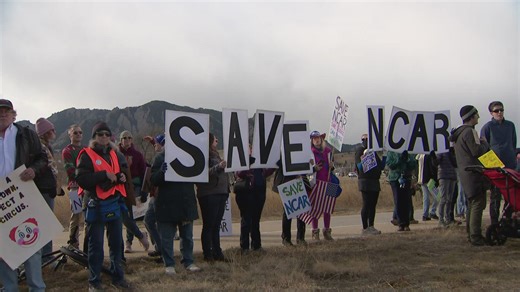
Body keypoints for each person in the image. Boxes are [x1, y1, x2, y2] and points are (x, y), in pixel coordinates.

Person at [76, 122, 131, 291]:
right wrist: (103, 175)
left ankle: (117, 277)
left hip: (113, 202)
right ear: (94, 137)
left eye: (107, 134)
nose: (104, 137)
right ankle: (94, 281)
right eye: (100, 134)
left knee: (116, 244)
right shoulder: (86, 155)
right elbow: (82, 180)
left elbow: (117, 172)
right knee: (96, 246)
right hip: (95, 204)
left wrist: (120, 176)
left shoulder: (114, 153)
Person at [0, 99, 47, 291]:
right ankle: (9, 288)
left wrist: (33, 170)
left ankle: (36, 288)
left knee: (31, 243)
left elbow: (42, 158)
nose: (2, 114)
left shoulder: (25, 134)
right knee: (4, 249)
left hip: (22, 196)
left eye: (6, 111)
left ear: (13, 114)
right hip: (2, 202)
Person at [150, 138, 201, 274]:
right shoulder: (160, 158)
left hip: (185, 202)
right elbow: (153, 180)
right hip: (167, 204)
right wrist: (161, 172)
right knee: (166, 238)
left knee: (187, 236)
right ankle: (169, 264)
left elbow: (198, 177)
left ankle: (188, 261)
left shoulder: (189, 158)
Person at [450, 105, 490, 246]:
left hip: (465, 173)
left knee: (472, 204)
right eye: (477, 115)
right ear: (471, 117)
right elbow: (476, 151)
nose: (478, 117)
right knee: (478, 204)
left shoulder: (459, 134)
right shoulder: (470, 132)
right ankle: (476, 236)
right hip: (474, 173)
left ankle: (471, 234)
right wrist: (485, 144)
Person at [480, 101, 517, 225]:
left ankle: (508, 220)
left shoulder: (510, 125)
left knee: (511, 196)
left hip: (510, 166)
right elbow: (484, 149)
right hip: (495, 168)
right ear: (491, 113)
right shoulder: (487, 127)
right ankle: (495, 223)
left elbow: (513, 142)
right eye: (496, 110)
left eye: (501, 110)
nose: (499, 112)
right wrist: (490, 167)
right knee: (495, 196)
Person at [234, 145, 275, 252]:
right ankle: (245, 246)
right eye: (249, 148)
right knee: (246, 219)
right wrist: (248, 163)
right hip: (246, 192)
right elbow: (239, 173)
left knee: (256, 220)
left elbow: (264, 173)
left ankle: (256, 245)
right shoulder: (240, 158)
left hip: (259, 191)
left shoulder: (258, 160)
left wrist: (274, 167)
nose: (251, 150)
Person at [196, 133, 229, 262]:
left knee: (216, 225)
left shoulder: (216, 154)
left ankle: (217, 252)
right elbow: (203, 174)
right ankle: (207, 253)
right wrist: (219, 166)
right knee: (209, 225)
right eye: (215, 139)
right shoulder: (203, 155)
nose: (217, 141)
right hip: (209, 193)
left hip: (221, 192)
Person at [118, 130, 150, 253]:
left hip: (135, 187)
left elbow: (144, 173)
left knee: (130, 214)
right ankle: (140, 235)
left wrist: (144, 191)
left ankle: (128, 242)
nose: (126, 140)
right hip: (120, 187)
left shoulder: (137, 155)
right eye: (124, 137)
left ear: (132, 140)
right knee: (124, 215)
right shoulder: (115, 154)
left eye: (129, 137)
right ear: (121, 140)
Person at [35, 117, 61, 257]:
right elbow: (45, 167)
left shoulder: (45, 145)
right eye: (51, 130)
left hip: (47, 188)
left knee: (46, 223)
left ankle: (45, 255)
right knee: (45, 224)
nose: (54, 132)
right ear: (45, 132)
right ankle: (46, 257)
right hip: (43, 190)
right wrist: (49, 185)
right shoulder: (40, 147)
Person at [272, 159, 310, 246]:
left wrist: (311, 169)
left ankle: (300, 238)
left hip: (299, 180)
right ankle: (286, 238)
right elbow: (277, 164)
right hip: (286, 181)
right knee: (287, 211)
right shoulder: (282, 149)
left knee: (301, 209)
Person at [355, 134, 384, 235]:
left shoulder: (373, 152)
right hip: (365, 181)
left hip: (375, 180)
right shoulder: (360, 150)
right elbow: (359, 166)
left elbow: (381, 166)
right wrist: (366, 157)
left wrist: (384, 156)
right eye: (365, 139)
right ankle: (365, 227)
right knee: (366, 204)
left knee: (373, 205)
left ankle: (371, 225)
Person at [62, 124, 85, 249]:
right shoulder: (67, 151)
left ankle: (88, 242)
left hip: (87, 188)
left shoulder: (86, 150)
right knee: (76, 214)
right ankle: (73, 243)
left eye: (80, 132)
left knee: (88, 215)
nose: (78, 135)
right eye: (75, 132)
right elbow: (70, 170)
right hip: (75, 187)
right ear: (70, 135)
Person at [308, 130, 335, 241]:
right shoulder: (310, 152)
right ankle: (315, 232)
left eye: (318, 138)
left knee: (327, 208)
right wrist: (314, 169)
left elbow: (331, 167)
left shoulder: (328, 151)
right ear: (312, 141)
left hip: (329, 182)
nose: (316, 140)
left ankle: (327, 231)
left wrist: (332, 167)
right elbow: (307, 169)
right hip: (316, 183)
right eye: (314, 138)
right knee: (315, 208)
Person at [142, 134, 165, 258]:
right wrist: (152, 141)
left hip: (158, 195)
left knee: (152, 221)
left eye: (157, 143)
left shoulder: (162, 158)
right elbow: (159, 145)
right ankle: (160, 247)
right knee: (149, 221)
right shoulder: (161, 155)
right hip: (154, 194)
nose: (154, 144)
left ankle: (162, 249)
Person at [386, 150, 417, 231]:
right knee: (398, 200)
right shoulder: (391, 151)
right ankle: (401, 223)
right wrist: (399, 159)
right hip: (395, 178)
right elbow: (390, 164)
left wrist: (407, 160)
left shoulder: (408, 150)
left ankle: (406, 223)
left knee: (406, 201)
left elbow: (413, 165)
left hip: (406, 177)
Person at [431, 146, 458, 227]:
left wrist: (452, 154)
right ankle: (441, 220)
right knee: (443, 198)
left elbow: (455, 163)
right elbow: (436, 163)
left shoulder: (451, 151)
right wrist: (433, 157)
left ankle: (448, 219)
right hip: (443, 176)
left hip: (452, 176)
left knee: (449, 199)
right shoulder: (441, 151)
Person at [415, 153, 439, 221]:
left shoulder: (418, 156)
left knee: (426, 197)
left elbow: (416, 168)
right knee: (438, 196)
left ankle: (425, 214)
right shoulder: (429, 155)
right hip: (429, 180)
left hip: (421, 179)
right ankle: (432, 212)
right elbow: (432, 168)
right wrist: (435, 179)